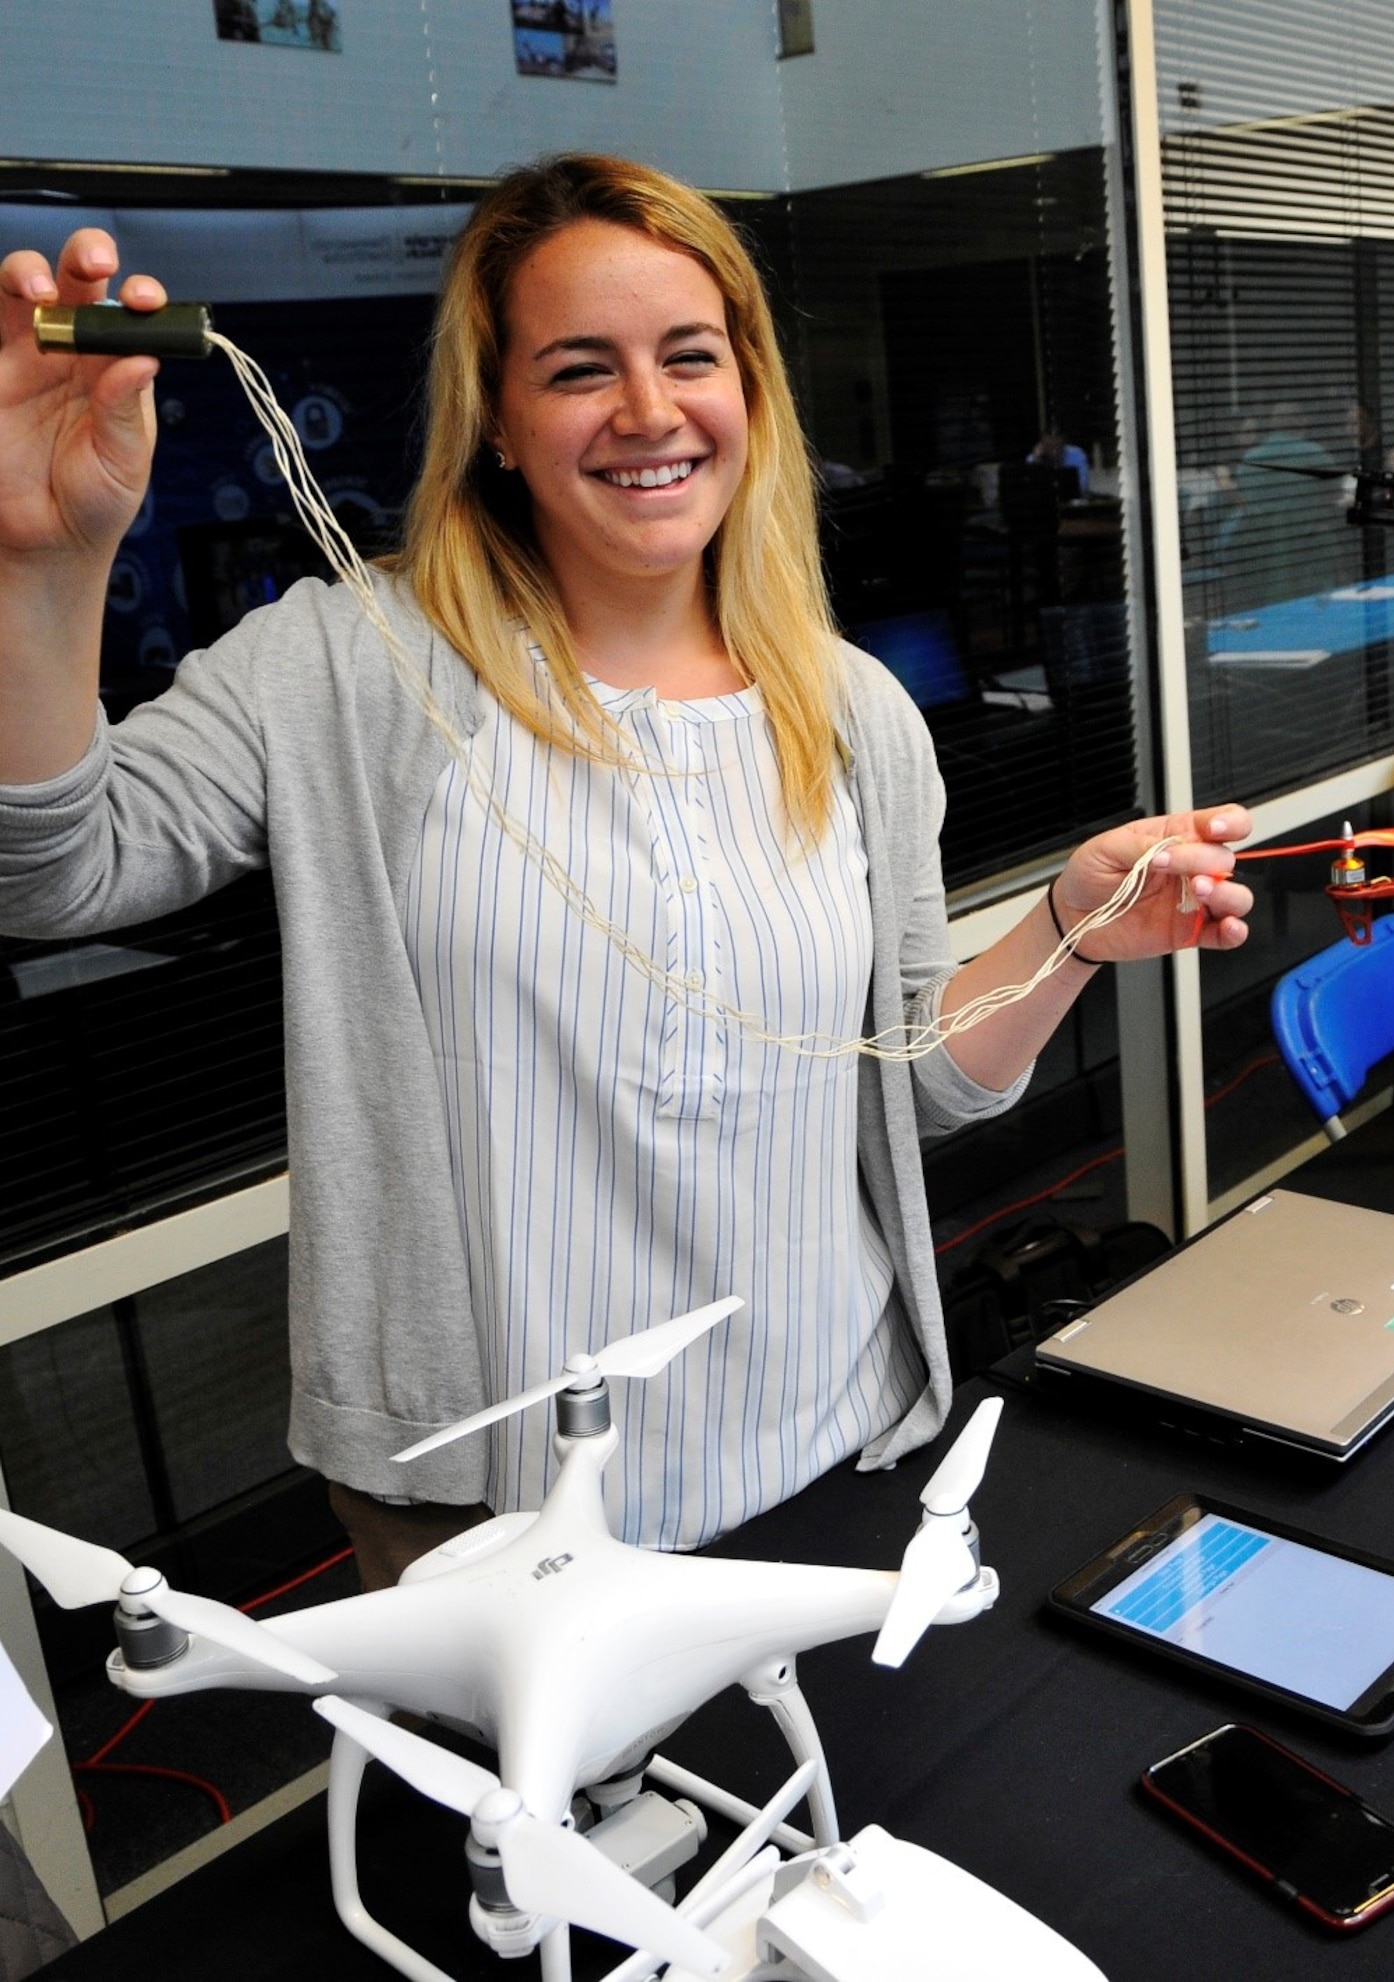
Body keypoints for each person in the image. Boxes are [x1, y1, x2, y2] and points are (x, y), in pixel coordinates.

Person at [0, 156, 1254, 1588]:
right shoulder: (351, 667)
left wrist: (1067, 933)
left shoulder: (851, 713)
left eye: (690, 358)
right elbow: (52, 874)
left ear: (752, 395)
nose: (651, 413)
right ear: (499, 422)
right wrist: (41, 570)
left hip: (829, 1459)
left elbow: (917, 1074)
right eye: (580, 368)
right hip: (503, 1531)